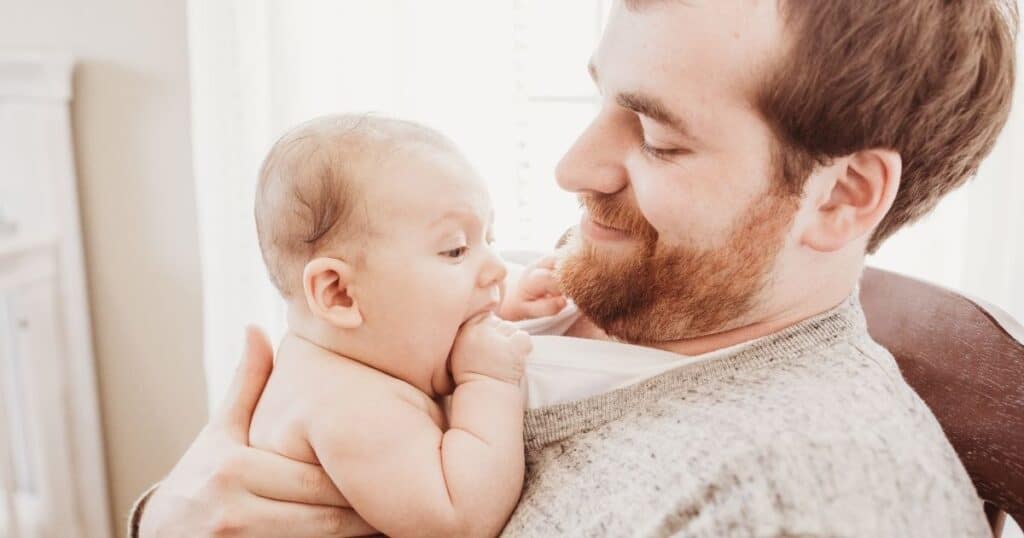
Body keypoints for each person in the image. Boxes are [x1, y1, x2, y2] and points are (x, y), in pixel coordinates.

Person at [132, 0, 1018, 536]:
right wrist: (168, 518)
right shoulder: (590, 275)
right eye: (603, 98)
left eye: (660, 138)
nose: (570, 168)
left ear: (842, 198)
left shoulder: (796, 502)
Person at [245, 114, 572, 537]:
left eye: (489, 239)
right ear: (340, 293)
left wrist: (505, 302)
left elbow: (418, 323)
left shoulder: (353, 349)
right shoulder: (346, 407)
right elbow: (461, 520)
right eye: (455, 250)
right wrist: (488, 381)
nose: (495, 267)